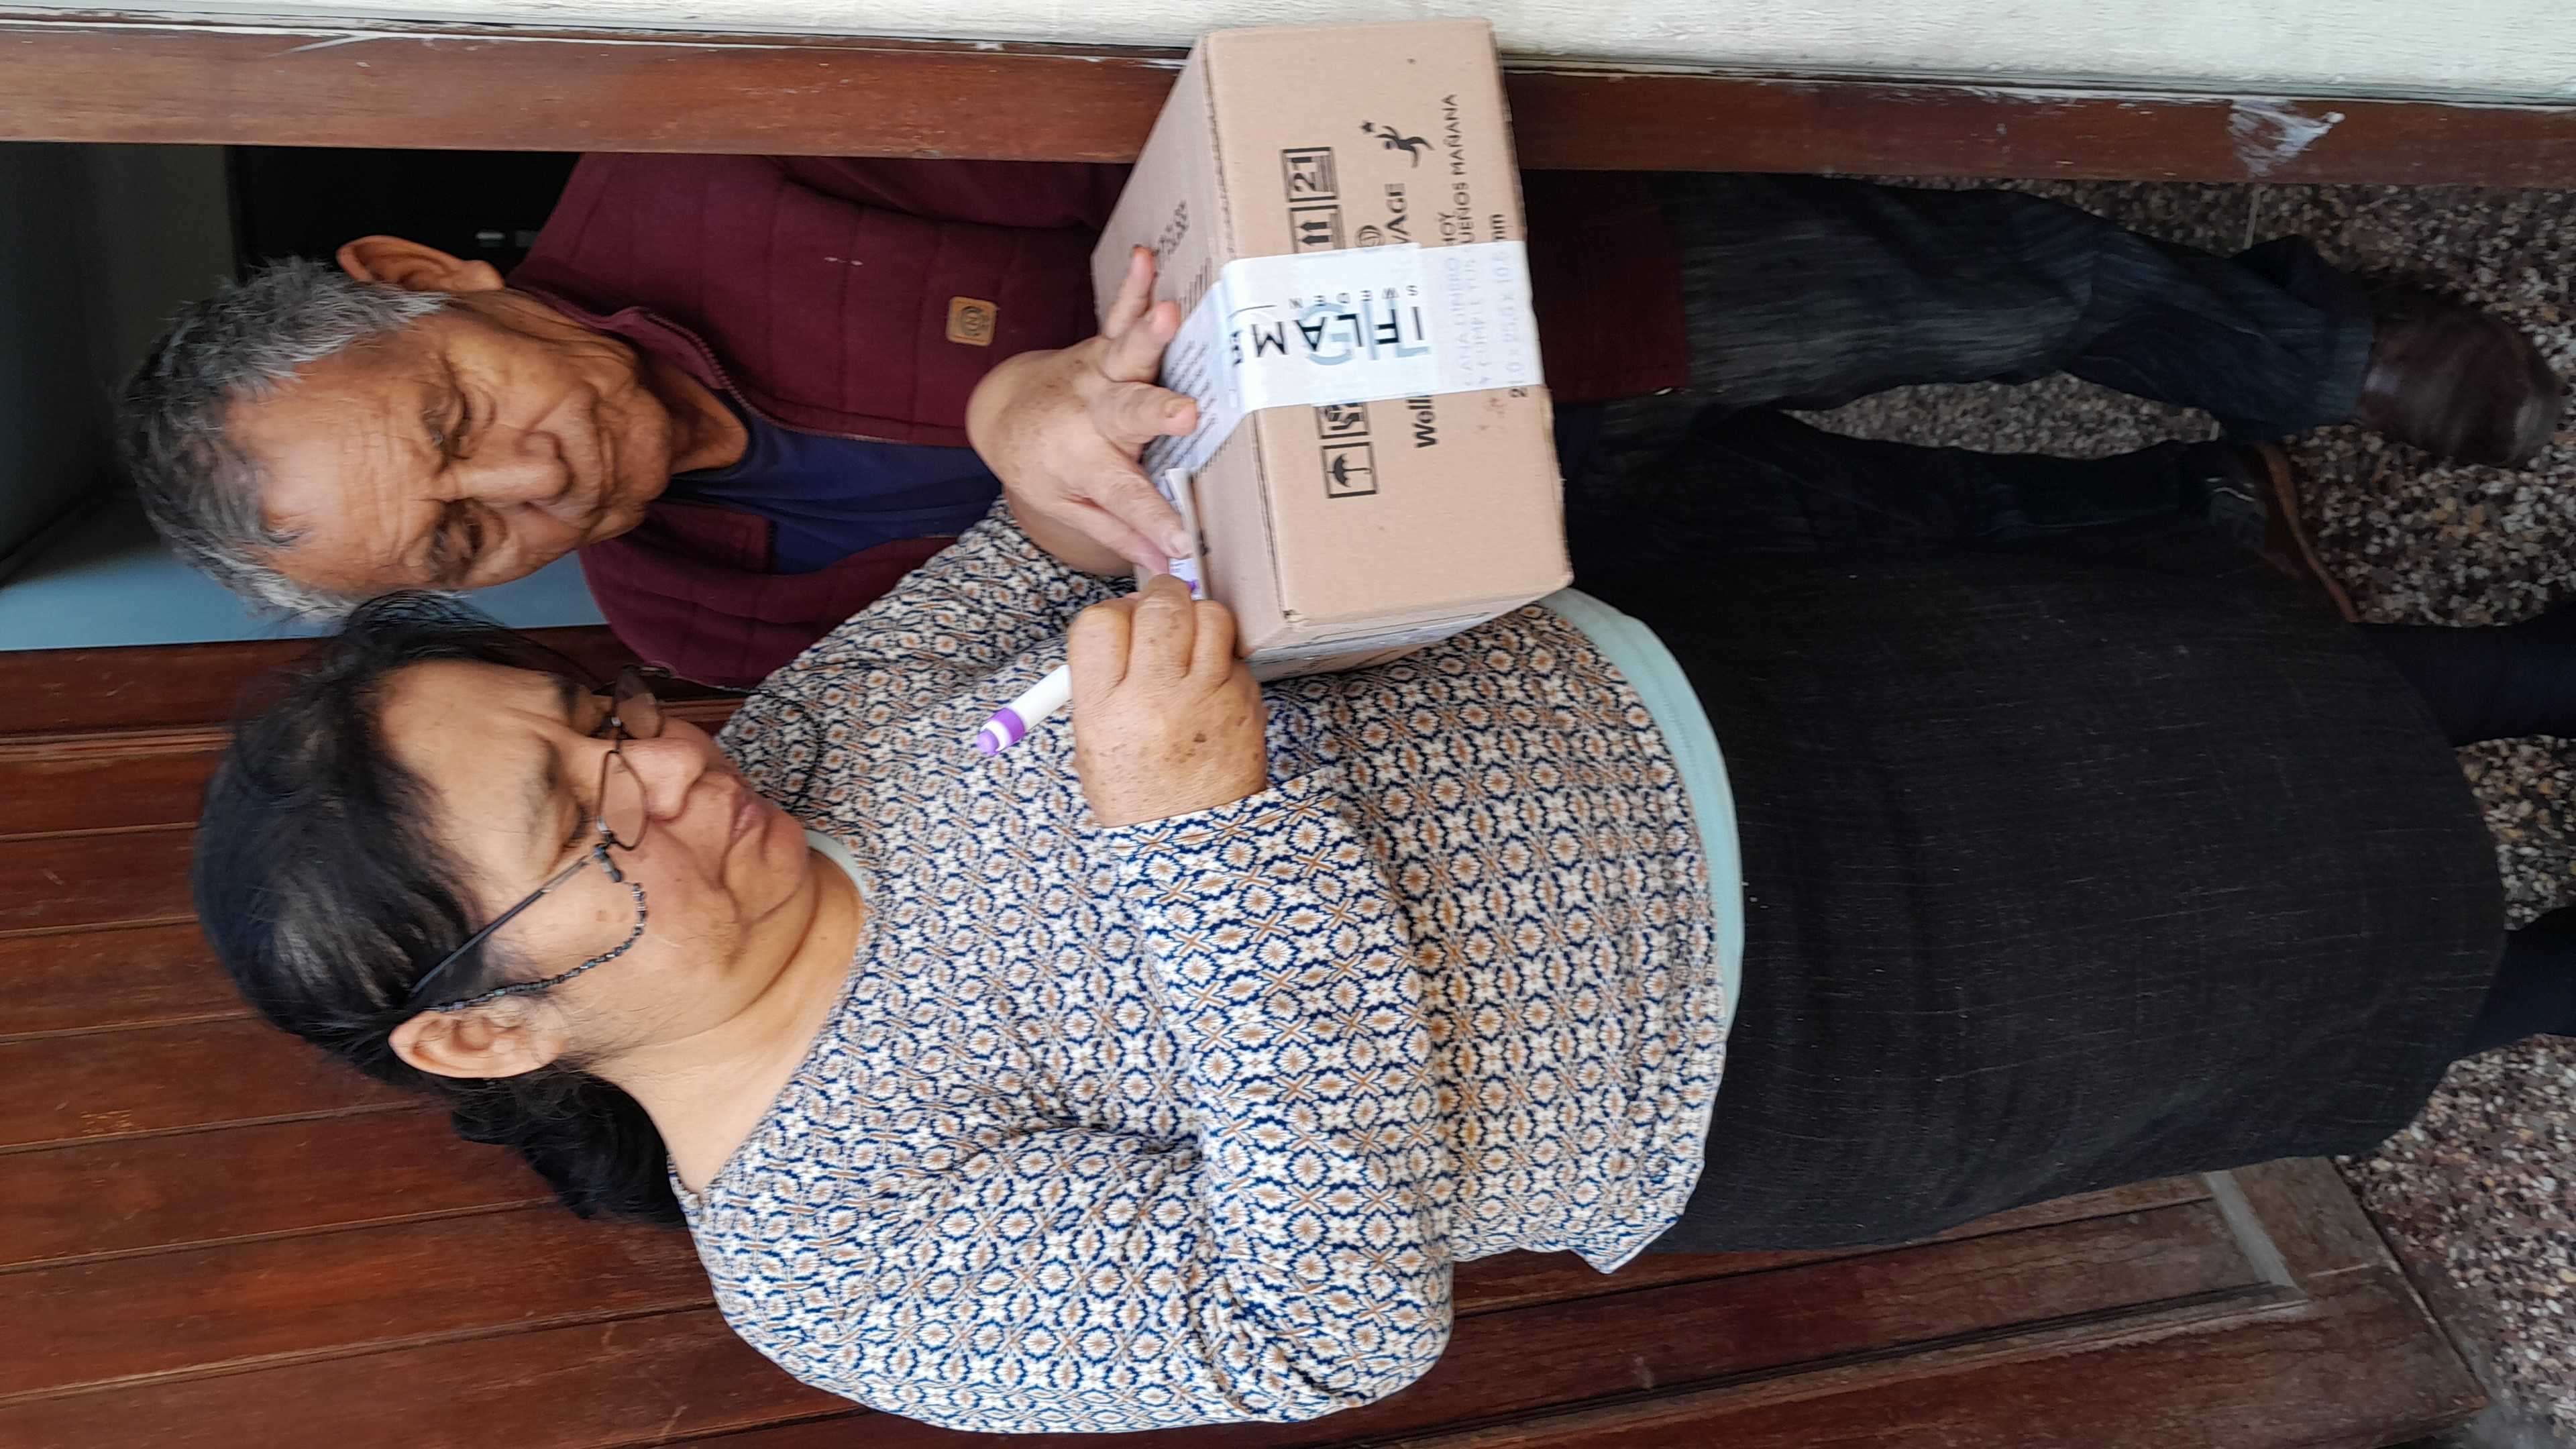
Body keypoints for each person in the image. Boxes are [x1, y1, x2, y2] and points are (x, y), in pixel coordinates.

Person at [195, 402, 2576, 1429]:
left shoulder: (801, 737)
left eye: (604, 711)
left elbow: (1043, 546)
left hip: (1764, 702)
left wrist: (1051, 435)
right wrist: (1200, 836)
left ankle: (2531, 658)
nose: (672, 762)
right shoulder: (830, 1262)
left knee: (2293, 698)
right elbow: (1317, 1321)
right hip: (1829, 1026)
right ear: (482, 1031)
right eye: (588, 821)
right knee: (2350, 949)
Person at [121, 158, 2563, 682]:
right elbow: (1012, 705)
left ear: (426, 278)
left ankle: (2304, 348)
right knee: (1838, 526)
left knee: (1964, 287)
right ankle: (2195, 503)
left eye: (458, 416)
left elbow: (1171, 102)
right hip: (1452, 567)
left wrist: (1040, 379)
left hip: (1523, 299)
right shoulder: (691, 623)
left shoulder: (707, 160)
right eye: (463, 541)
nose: (526, 485)